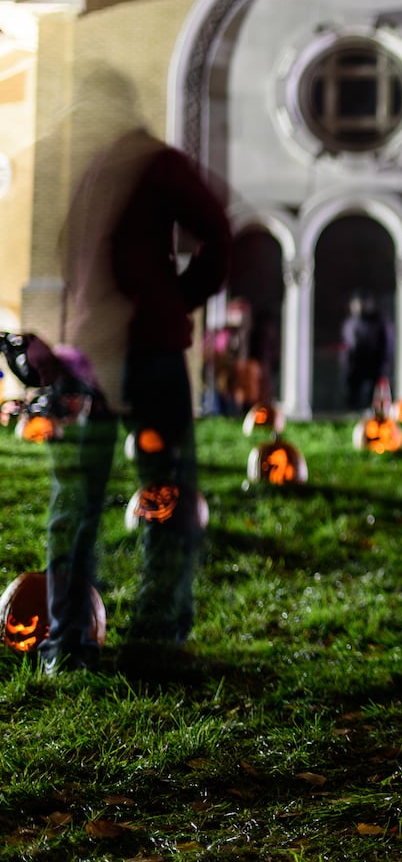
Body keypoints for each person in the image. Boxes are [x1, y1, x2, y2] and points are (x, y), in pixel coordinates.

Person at [39, 66, 232, 675]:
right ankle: (154, 629)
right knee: (162, 488)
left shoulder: (98, 172)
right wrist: (175, 299)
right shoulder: (151, 164)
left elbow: (68, 254)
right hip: (138, 355)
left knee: (81, 500)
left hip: (94, 357)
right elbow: (218, 237)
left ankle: (71, 641)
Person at [341, 293, 391, 411]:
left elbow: (385, 343)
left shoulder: (378, 321)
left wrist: (383, 362)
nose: (358, 307)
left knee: (374, 393)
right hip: (355, 364)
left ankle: (373, 412)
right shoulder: (350, 323)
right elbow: (348, 345)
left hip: (374, 363)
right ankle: (352, 411)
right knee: (353, 393)